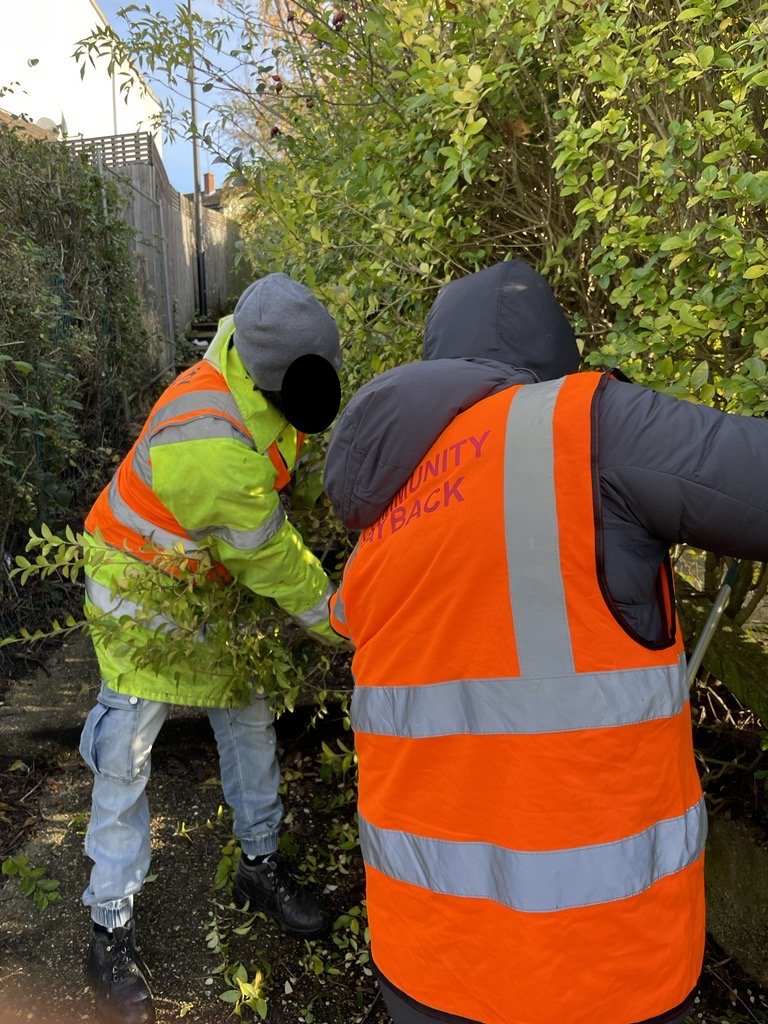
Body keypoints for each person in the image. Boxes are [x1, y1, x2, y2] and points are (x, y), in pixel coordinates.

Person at [322, 260, 768, 1024]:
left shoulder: (387, 508)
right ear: (554, 357)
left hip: (425, 957)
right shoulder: (586, 425)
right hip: (598, 965)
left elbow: (373, 636)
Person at [80, 273, 344, 1024]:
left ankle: (258, 866)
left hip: (202, 578)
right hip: (138, 584)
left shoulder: (253, 353)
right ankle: (109, 926)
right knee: (127, 750)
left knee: (249, 714)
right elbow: (272, 559)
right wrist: (340, 621)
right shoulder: (211, 444)